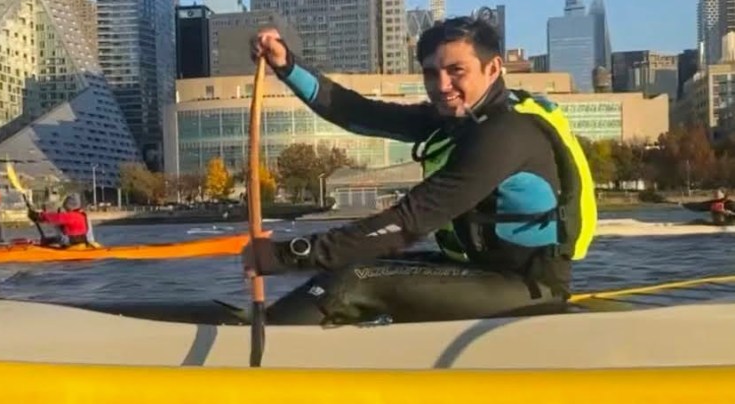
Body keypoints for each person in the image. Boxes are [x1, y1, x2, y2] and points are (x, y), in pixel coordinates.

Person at [241, 16, 598, 326]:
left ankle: (256, 358)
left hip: (528, 288)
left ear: (493, 68)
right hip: (478, 272)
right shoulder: (460, 119)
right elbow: (358, 113)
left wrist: (288, 254)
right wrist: (287, 65)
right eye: (431, 73)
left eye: (456, 71)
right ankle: (276, 333)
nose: (442, 86)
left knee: (355, 281)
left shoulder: (505, 135)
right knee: (344, 270)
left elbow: (408, 223)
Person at [28, 193, 97, 247]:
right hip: (82, 242)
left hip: (73, 244)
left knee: (58, 224)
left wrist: (37, 216)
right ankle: (49, 241)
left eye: (66, 207)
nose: (65, 210)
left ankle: (49, 242)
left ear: (69, 205)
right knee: (60, 229)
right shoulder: (83, 215)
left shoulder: (70, 216)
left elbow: (54, 218)